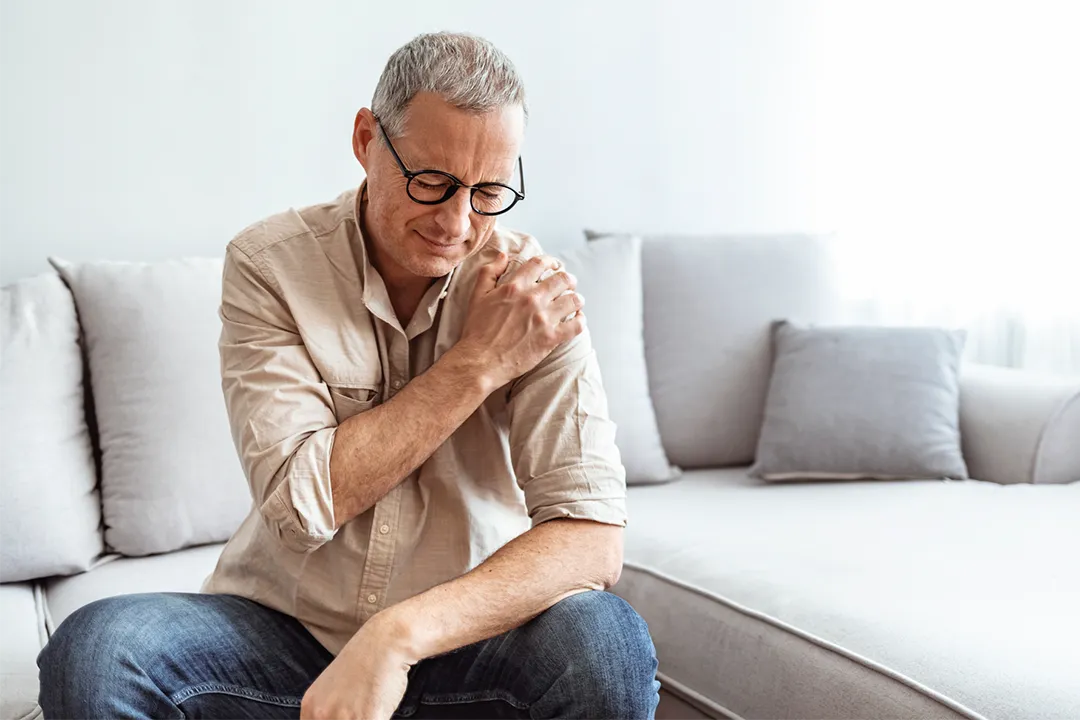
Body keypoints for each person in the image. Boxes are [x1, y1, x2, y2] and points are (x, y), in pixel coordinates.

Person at [38, 31, 659, 719]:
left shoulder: (531, 295)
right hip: (285, 633)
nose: (457, 222)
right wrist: (477, 363)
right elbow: (301, 508)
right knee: (98, 648)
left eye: (488, 192)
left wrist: (398, 637)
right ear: (367, 140)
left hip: (467, 637)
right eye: (432, 182)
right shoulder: (268, 266)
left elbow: (592, 538)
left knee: (607, 644)